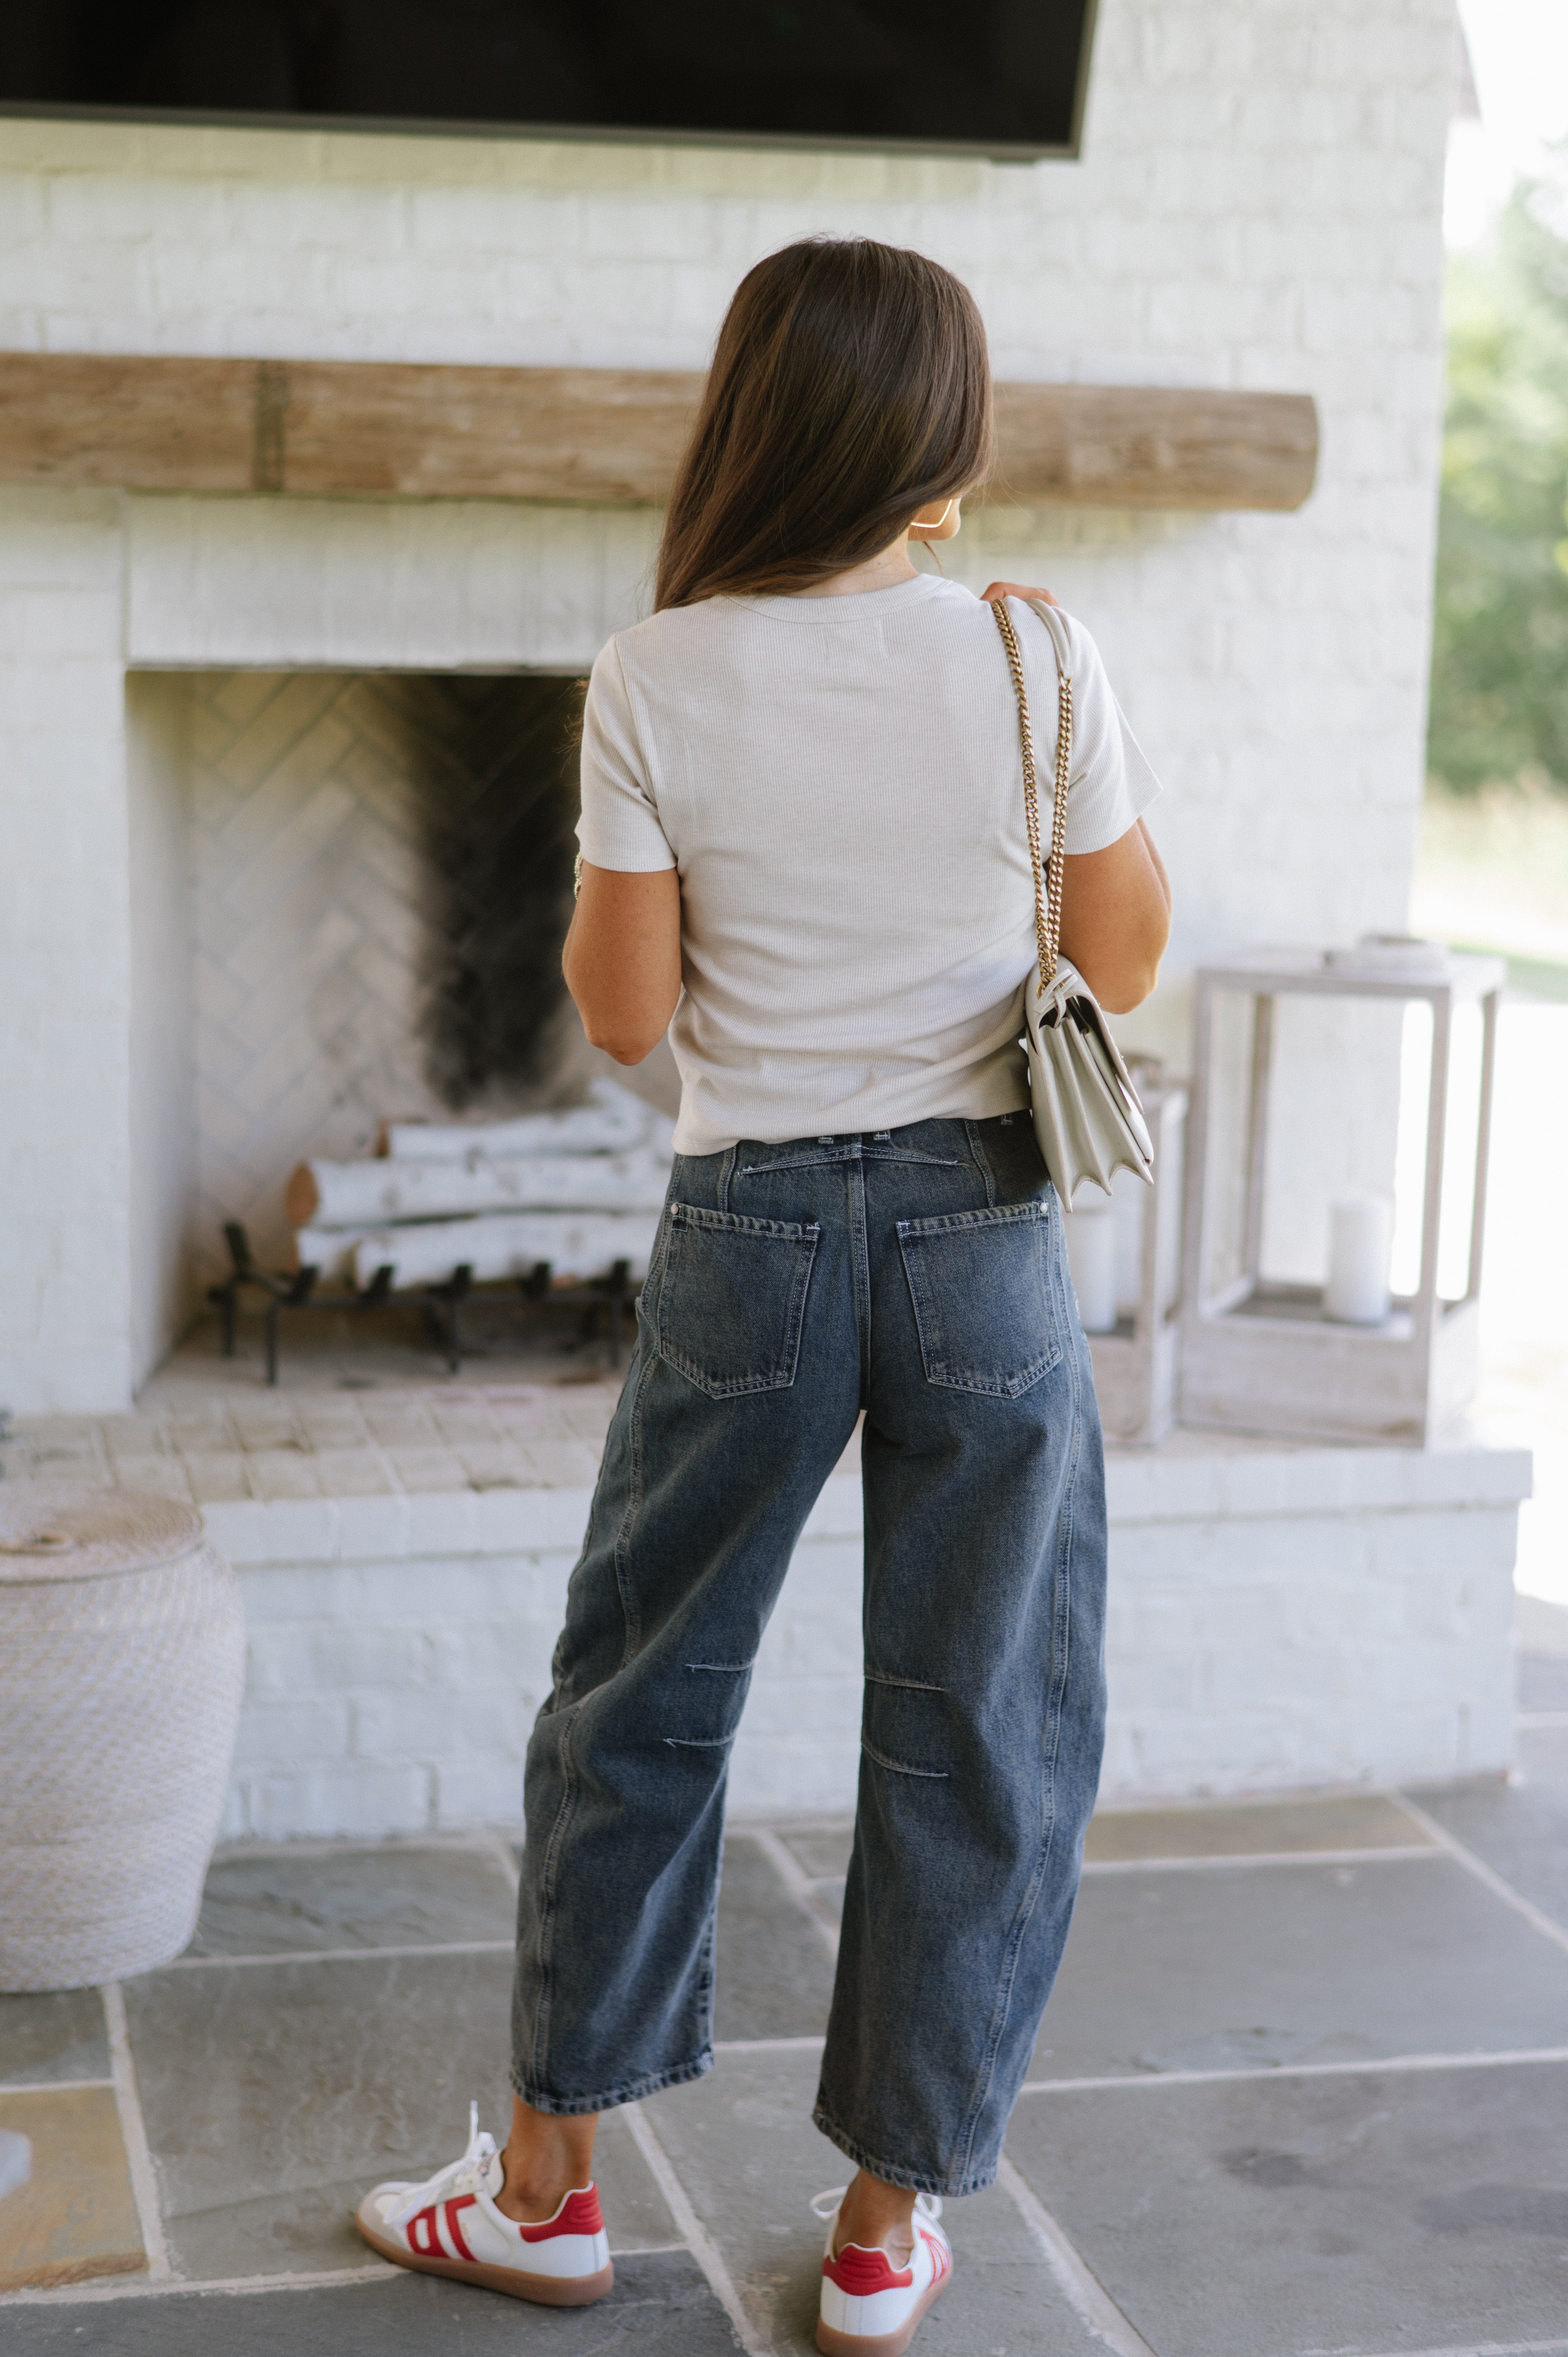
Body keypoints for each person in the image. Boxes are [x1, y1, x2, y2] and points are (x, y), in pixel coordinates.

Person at [355, 235, 1171, 2357]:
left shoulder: (658, 672)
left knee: (641, 1702)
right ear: (935, 437)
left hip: (755, 1238)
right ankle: (890, 2228)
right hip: (986, 1230)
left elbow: (623, 1021)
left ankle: (545, 2192)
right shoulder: (1032, 656)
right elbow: (1128, 950)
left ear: (752, 415)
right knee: (981, 1713)